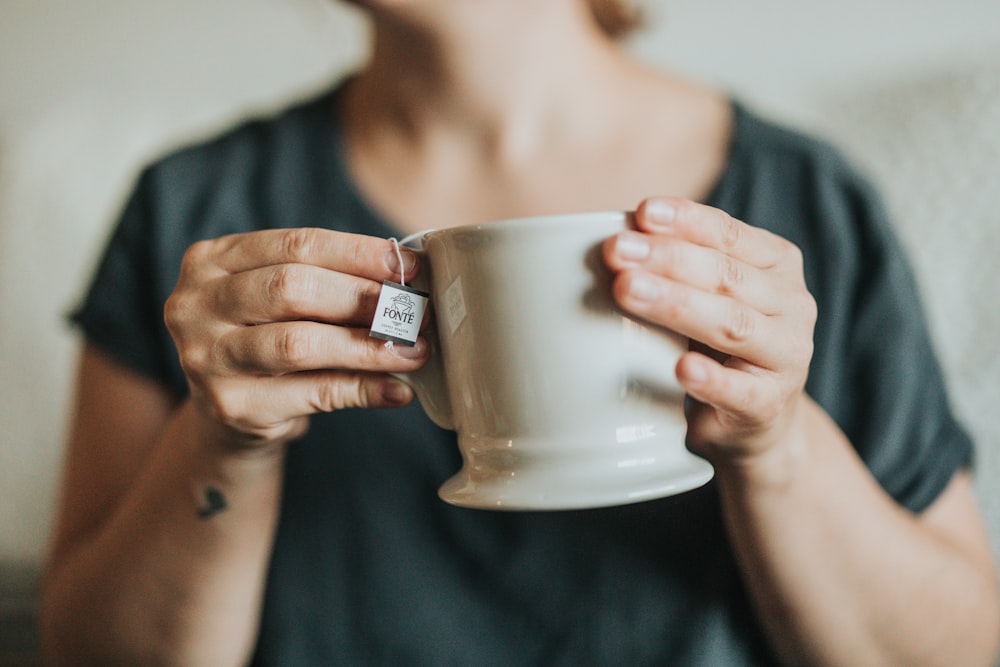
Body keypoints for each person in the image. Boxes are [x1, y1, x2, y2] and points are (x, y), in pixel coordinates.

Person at [40, 0, 1000, 665]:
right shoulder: (196, 215)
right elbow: (89, 651)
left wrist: (777, 443)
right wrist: (223, 441)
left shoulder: (809, 207)